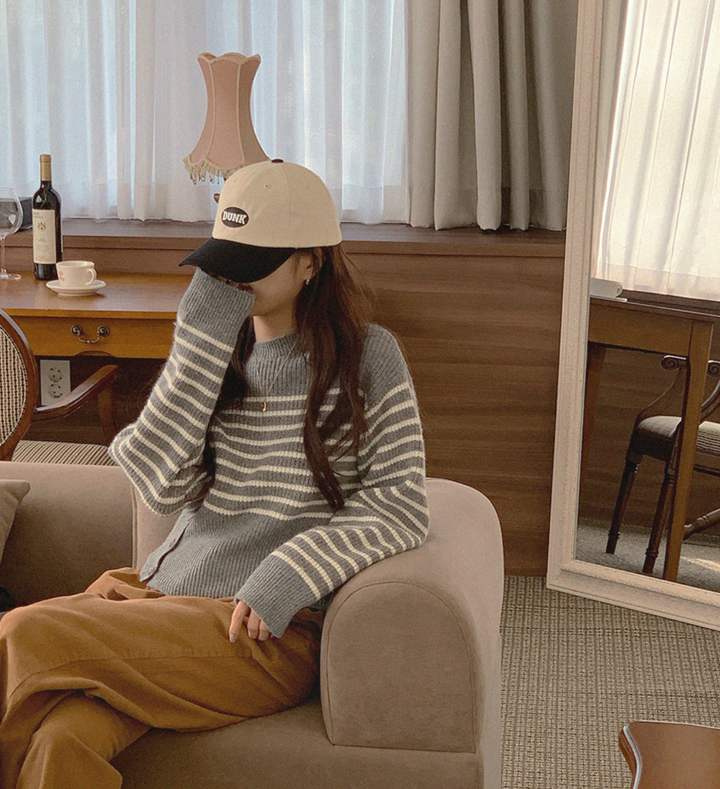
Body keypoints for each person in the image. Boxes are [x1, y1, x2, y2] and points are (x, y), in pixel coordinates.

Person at [0, 159, 429, 788]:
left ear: (311, 263)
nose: (232, 278)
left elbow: (400, 505)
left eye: (254, 261)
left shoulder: (369, 357)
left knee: (24, 630)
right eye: (225, 260)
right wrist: (197, 344)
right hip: (161, 596)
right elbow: (158, 481)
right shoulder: (217, 352)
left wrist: (289, 570)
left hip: (259, 630)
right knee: (60, 741)